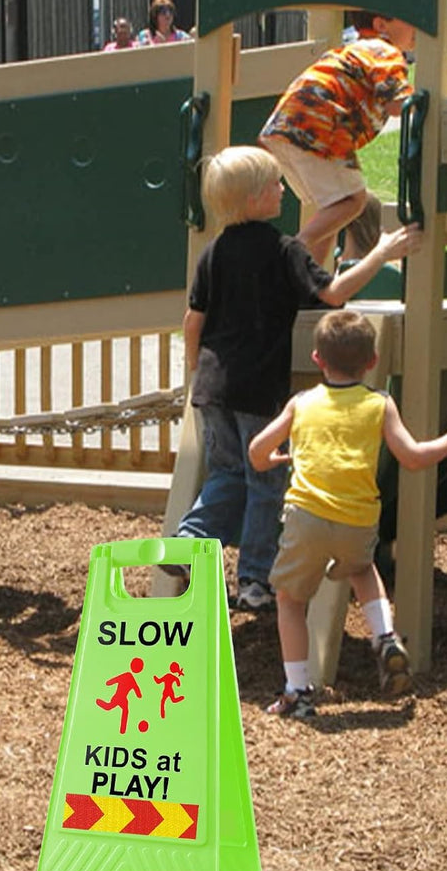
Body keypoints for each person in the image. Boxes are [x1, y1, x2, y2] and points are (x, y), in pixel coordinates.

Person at [167, 146, 423, 611]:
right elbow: (335, 292)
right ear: (251, 201)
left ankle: (188, 542)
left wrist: (193, 371)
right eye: (274, 185)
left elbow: (192, 321)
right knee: (265, 483)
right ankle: (254, 580)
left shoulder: (214, 253)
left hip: (212, 388)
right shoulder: (284, 251)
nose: (282, 190)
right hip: (256, 389)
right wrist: (383, 251)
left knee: (226, 473)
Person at [248, 311, 447, 716]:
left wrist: (274, 459)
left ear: (317, 358)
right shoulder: (380, 404)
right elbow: (412, 457)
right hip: (358, 516)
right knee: (361, 569)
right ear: (372, 361)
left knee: (289, 600)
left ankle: (298, 691)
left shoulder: (301, 403)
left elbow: (256, 451)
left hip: (306, 515)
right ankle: (385, 635)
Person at [259, 11, 447, 263]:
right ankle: (292, 251)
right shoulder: (384, 51)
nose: (417, 26)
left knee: (333, 209)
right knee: (353, 201)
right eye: (409, 18)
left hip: (284, 129)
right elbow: (399, 105)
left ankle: (313, 285)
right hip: (320, 130)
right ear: (381, 25)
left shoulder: (354, 50)